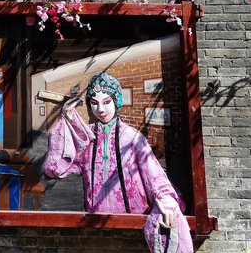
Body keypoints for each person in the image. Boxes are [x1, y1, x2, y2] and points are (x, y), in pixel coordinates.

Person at [44, 72, 181, 226]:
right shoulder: (86, 137)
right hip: (94, 220)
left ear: (116, 102)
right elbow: (54, 169)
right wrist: (68, 122)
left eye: (107, 102)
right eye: (94, 103)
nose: (100, 109)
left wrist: (167, 201)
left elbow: (154, 175)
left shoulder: (132, 138)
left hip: (132, 221)